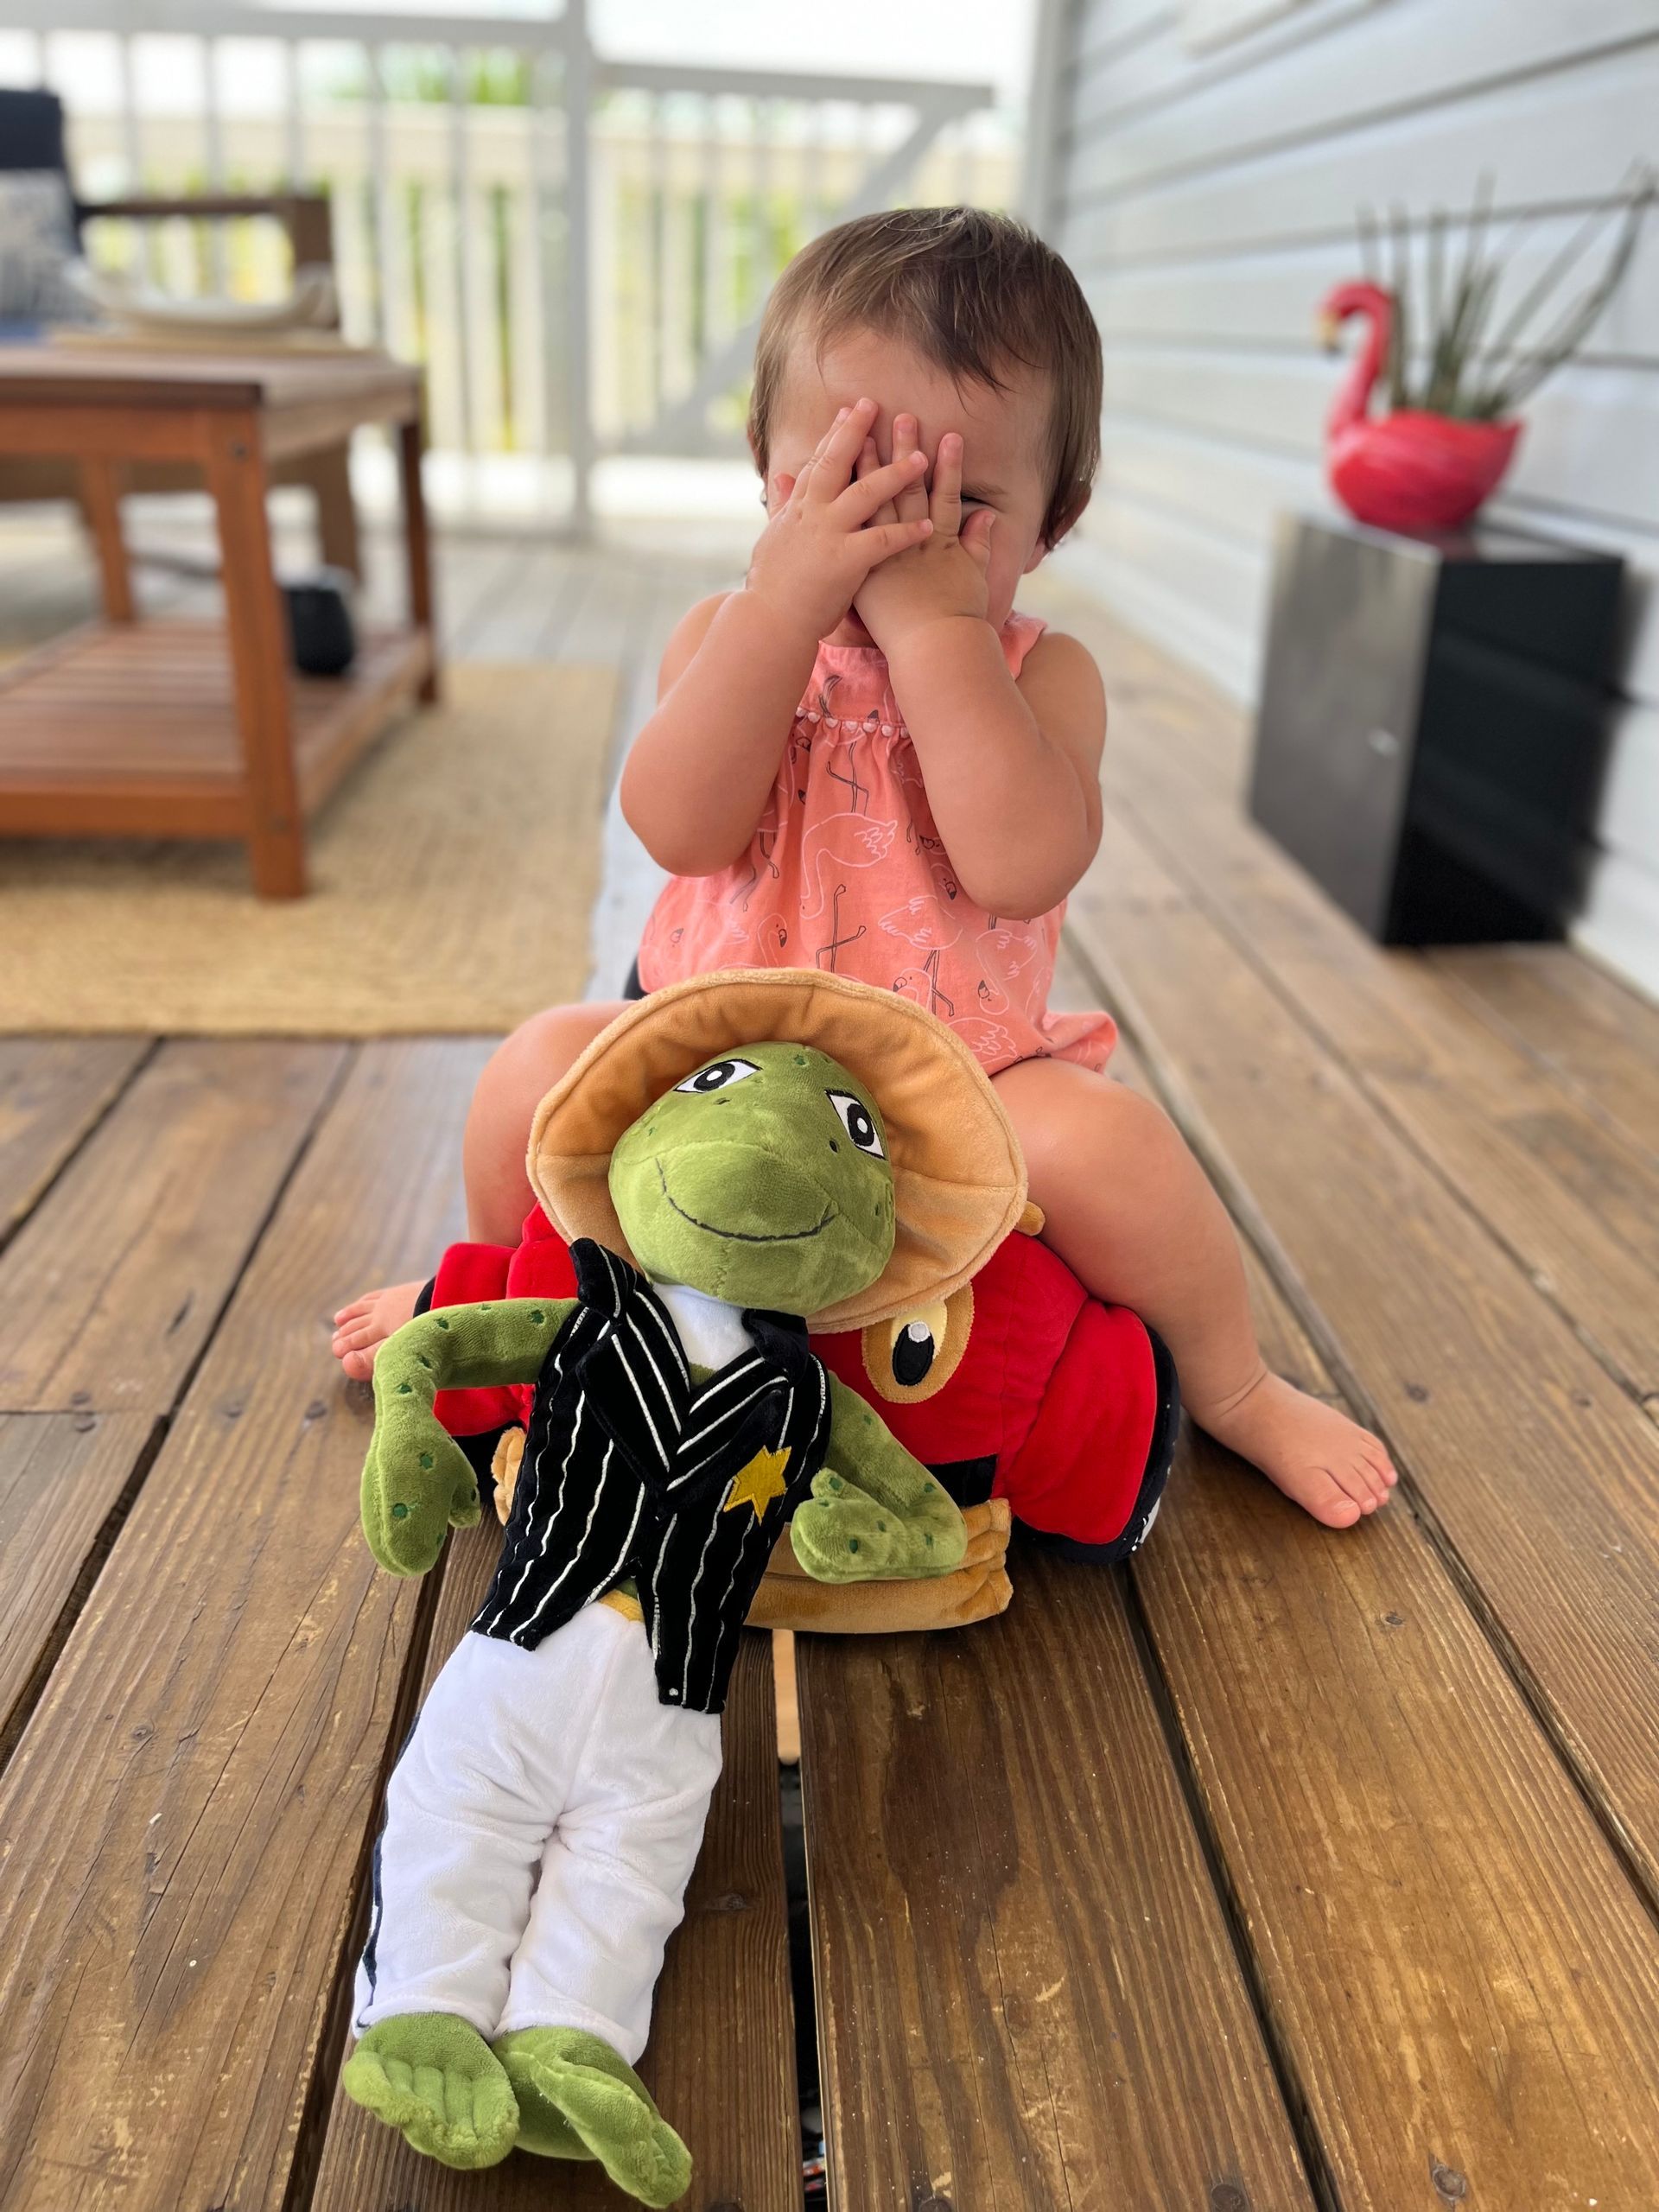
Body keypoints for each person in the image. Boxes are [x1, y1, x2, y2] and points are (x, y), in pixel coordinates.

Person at [334, 206, 1395, 1530]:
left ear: (1055, 519)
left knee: (1117, 1150)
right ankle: (511, 1301)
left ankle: (1236, 1386)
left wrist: (941, 638)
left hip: (957, 1077)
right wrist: (781, 610)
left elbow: (1019, 865)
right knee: (529, 1072)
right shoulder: (726, 634)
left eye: (958, 509)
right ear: (764, 477)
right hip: (710, 1057)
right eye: (841, 490)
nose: (891, 542)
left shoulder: (1045, 674)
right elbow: (678, 828)